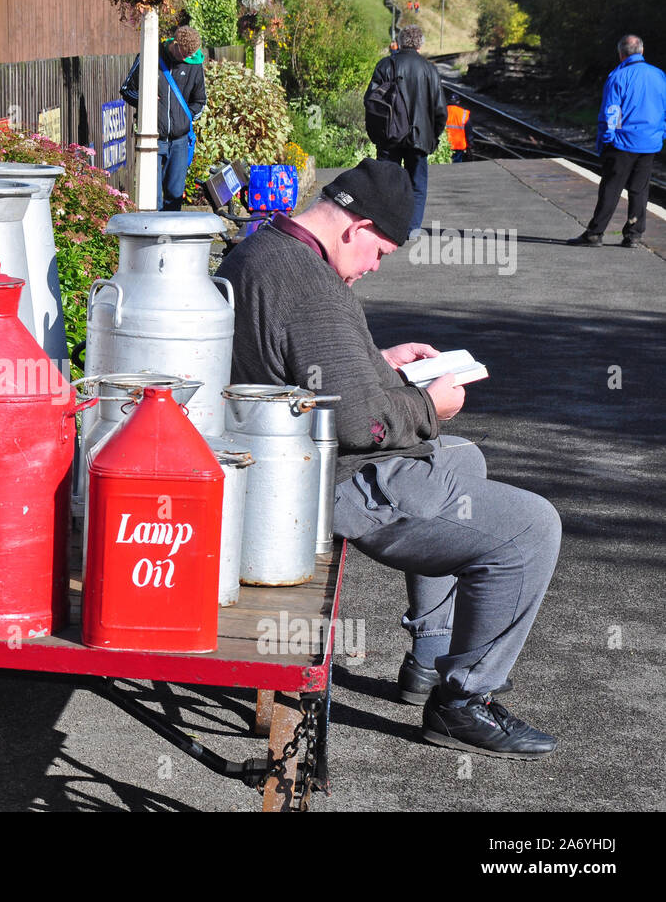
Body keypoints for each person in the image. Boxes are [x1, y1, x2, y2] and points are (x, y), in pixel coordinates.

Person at [215, 159, 563, 760]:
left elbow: (312, 364)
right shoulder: (307, 283)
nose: (377, 266)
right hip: (328, 480)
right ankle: (462, 702)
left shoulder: (267, 249)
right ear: (357, 225)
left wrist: (384, 363)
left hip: (289, 460)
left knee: (463, 460)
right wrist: (428, 404)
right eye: (381, 250)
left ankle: (429, 654)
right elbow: (361, 423)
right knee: (533, 528)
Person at [567, 34, 666, 248]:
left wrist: (605, 140)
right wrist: (661, 133)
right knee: (639, 189)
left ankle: (595, 233)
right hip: (650, 142)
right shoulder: (659, 75)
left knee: (611, 188)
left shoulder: (618, 76)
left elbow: (612, 112)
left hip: (623, 142)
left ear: (621, 54)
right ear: (642, 51)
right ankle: (633, 235)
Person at [364, 25, 447, 237]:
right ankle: (412, 229)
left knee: (386, 183)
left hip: (389, 136)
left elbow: (370, 102)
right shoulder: (430, 70)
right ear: (420, 44)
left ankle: (386, 226)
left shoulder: (386, 65)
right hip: (420, 137)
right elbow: (440, 110)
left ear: (400, 43)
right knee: (417, 185)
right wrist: (433, 136)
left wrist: (376, 135)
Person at [120, 25, 206, 211]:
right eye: (183, 54)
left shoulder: (195, 64)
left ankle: (170, 239)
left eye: (190, 55)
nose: (186, 58)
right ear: (175, 43)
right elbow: (127, 90)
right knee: (152, 199)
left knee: (174, 199)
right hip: (153, 139)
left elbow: (200, 101)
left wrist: (184, 117)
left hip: (180, 141)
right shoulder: (150, 55)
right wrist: (146, 99)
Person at [446, 92, 474, 162]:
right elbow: (468, 131)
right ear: (458, 102)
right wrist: (470, 145)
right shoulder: (464, 113)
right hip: (458, 145)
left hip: (444, 145)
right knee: (457, 166)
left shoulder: (442, 111)